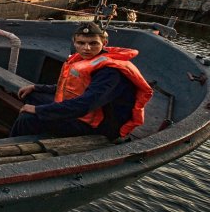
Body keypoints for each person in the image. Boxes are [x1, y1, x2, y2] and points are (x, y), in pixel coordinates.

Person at [10, 22, 153, 139]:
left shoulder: (110, 72)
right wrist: (37, 88)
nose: (86, 48)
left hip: (98, 126)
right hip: (84, 113)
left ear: (104, 43)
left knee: (27, 118)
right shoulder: (87, 59)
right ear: (74, 42)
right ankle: (39, 132)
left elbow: (85, 105)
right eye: (81, 43)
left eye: (93, 43)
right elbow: (70, 87)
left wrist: (38, 110)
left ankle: (11, 148)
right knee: (31, 95)